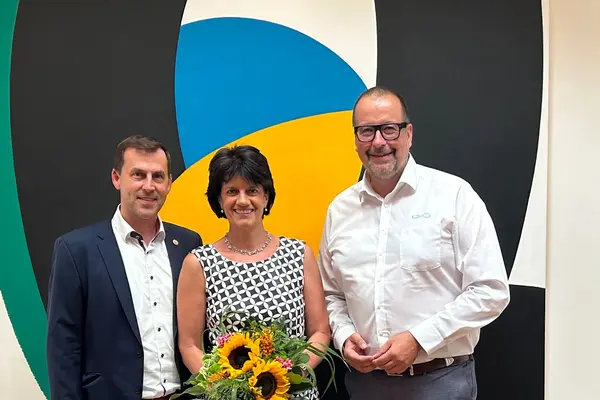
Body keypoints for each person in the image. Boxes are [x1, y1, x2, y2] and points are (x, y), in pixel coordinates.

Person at [318, 87, 510, 399]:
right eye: (366, 131)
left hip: (440, 382)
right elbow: (332, 294)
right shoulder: (339, 211)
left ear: (409, 134)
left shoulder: (454, 196)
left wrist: (420, 340)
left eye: (389, 129)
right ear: (355, 140)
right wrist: (343, 335)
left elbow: (491, 291)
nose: (378, 142)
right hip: (366, 386)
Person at [46, 135, 202, 400]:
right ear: (117, 178)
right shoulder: (76, 250)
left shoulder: (188, 244)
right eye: (138, 175)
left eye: (158, 176)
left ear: (169, 183)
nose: (149, 186)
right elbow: (63, 345)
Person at [177, 145, 331, 400]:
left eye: (252, 191)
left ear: (266, 197)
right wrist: (227, 389)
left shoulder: (299, 254)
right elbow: (190, 344)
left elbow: (321, 331)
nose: (242, 201)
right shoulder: (199, 263)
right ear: (219, 200)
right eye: (231, 191)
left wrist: (287, 377)